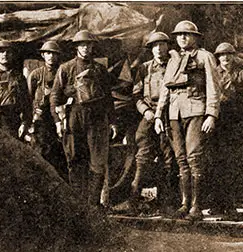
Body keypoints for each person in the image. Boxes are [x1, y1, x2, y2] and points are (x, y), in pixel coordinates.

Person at [154, 20, 221, 221]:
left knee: (194, 157)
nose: (182, 37)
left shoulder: (205, 57)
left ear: (195, 37)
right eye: (179, 34)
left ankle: (196, 206)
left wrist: (212, 114)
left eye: (187, 34)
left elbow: (213, 87)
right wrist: (158, 114)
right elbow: (165, 89)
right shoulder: (173, 60)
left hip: (196, 111)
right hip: (174, 113)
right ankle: (184, 203)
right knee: (181, 159)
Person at [50, 30, 118, 213]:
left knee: (97, 161)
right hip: (74, 117)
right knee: (75, 159)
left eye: (88, 44)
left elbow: (108, 99)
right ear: (76, 47)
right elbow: (55, 97)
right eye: (82, 45)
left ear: (92, 47)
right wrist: (58, 121)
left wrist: (112, 122)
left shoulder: (100, 70)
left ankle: (93, 204)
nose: (85, 48)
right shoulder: (65, 68)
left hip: (96, 118)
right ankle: (77, 204)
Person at [117, 31, 178, 215]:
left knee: (169, 157)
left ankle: (167, 202)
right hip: (150, 115)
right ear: (151, 49)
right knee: (142, 153)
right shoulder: (144, 69)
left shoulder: (174, 66)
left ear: (168, 46)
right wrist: (147, 112)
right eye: (155, 46)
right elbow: (136, 95)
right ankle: (133, 199)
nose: (159, 49)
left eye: (162, 45)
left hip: (169, 115)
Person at [208, 42, 243, 218]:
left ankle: (230, 205)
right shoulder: (213, 73)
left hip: (234, 123)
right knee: (215, 161)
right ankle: (216, 203)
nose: (225, 58)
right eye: (221, 55)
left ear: (233, 57)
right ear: (217, 58)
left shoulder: (242, 74)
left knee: (232, 164)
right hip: (216, 121)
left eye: (228, 55)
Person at [26, 41, 67, 178]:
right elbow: (29, 98)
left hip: (58, 117)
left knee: (59, 152)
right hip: (42, 119)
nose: (51, 57)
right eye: (48, 53)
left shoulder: (63, 72)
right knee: (41, 150)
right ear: (43, 55)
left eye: (54, 54)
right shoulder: (36, 75)